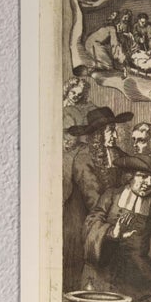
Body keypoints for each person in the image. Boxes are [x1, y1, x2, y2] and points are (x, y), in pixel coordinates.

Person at [82, 149, 151, 298]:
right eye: (143, 177)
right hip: (103, 271)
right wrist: (112, 232)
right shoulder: (111, 195)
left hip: (137, 276)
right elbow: (90, 223)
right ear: (130, 177)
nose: (149, 183)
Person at [64, 105, 132, 289]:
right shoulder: (83, 158)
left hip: (110, 217)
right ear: (98, 134)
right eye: (111, 131)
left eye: (114, 131)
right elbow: (92, 198)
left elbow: (130, 179)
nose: (115, 136)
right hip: (84, 221)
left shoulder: (119, 155)